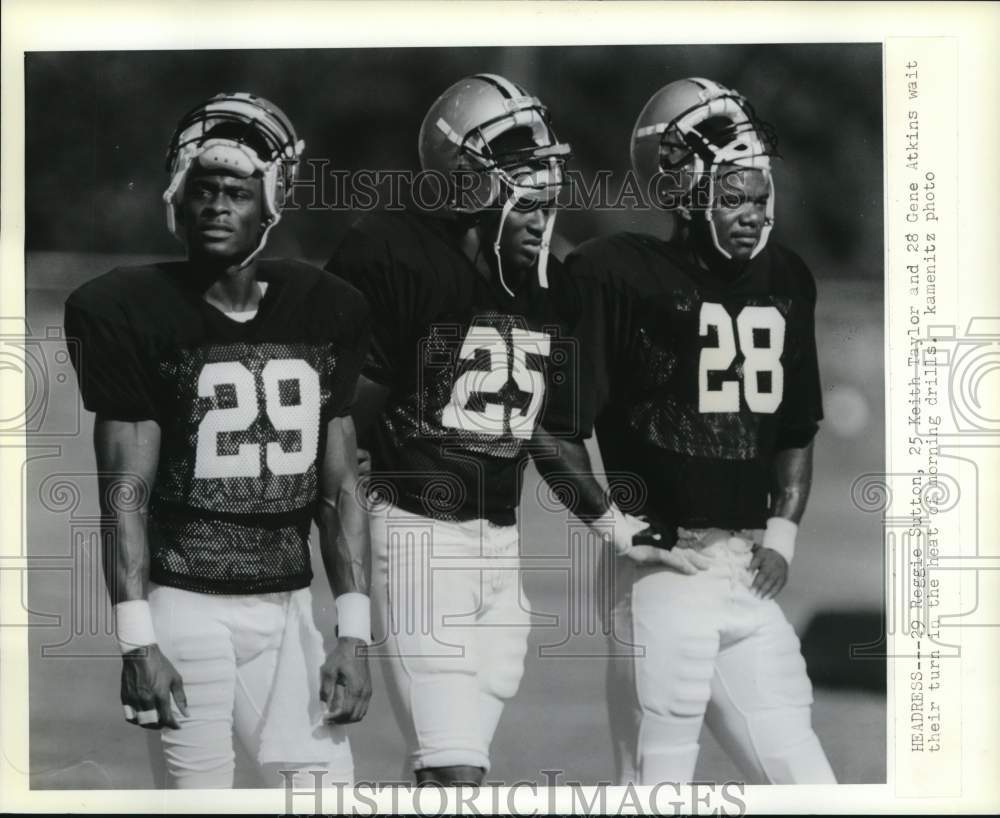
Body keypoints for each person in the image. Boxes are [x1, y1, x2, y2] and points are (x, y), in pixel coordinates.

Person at [326, 73, 675, 786]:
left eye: (548, 171)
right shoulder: (397, 256)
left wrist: (617, 527)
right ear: (465, 175)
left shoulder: (549, 284)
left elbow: (540, 428)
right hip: (417, 535)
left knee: (446, 769)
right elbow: (337, 419)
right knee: (455, 771)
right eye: (523, 168)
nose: (544, 187)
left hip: (500, 550)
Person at [63, 92, 373, 789]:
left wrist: (353, 631)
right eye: (201, 190)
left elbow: (340, 492)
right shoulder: (127, 311)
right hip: (184, 604)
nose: (216, 206)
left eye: (236, 191)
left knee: (327, 793)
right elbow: (124, 495)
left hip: (288, 609)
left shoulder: (327, 308)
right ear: (175, 200)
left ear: (272, 204)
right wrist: (138, 640)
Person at [565, 77, 837, 785]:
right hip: (662, 571)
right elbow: (554, 425)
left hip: (743, 571)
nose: (752, 215)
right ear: (685, 192)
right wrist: (613, 528)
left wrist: (782, 535)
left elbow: (797, 426)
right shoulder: (619, 274)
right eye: (732, 197)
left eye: (758, 197)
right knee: (655, 785)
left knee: (810, 786)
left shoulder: (786, 279)